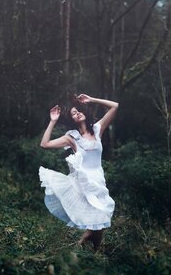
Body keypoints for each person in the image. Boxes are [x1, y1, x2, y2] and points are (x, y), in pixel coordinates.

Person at [39, 93, 119, 250]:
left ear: (85, 112)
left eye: (78, 110)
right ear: (72, 120)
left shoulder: (97, 129)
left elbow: (115, 106)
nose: (76, 113)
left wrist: (92, 100)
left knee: (100, 224)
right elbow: (45, 144)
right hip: (83, 183)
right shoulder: (72, 138)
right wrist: (53, 121)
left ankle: (89, 254)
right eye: (73, 113)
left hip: (99, 180)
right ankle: (78, 253)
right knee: (96, 223)